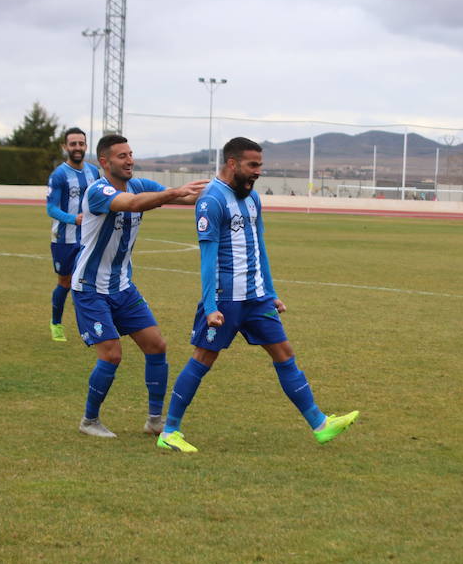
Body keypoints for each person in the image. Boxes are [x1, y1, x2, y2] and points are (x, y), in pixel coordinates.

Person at [157, 137, 359, 452]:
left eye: (260, 165)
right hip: (225, 299)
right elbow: (207, 258)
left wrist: (271, 291)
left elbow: (259, 246)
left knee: (285, 354)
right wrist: (210, 306)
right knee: (202, 359)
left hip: (257, 297)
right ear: (232, 164)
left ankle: (320, 424)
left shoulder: (252, 200)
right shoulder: (211, 200)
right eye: (253, 165)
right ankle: (169, 431)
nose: (258, 172)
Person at [72, 134, 207, 438]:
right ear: (105, 162)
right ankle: (89, 421)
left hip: (122, 287)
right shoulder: (98, 191)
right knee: (111, 354)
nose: (130, 160)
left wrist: (225, 186)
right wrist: (173, 192)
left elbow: (185, 197)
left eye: (131, 154)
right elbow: (130, 204)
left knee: (156, 346)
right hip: (90, 288)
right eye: (122, 156)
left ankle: (155, 420)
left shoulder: (140, 185)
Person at [46, 127, 101, 342]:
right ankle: (56, 323)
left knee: (90, 282)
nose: (77, 148)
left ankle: (92, 327)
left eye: (81, 144)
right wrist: (74, 219)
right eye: (73, 144)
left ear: (86, 146)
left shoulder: (94, 172)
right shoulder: (58, 175)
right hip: (64, 239)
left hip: (88, 238)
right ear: (65, 147)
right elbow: (51, 209)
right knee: (65, 282)